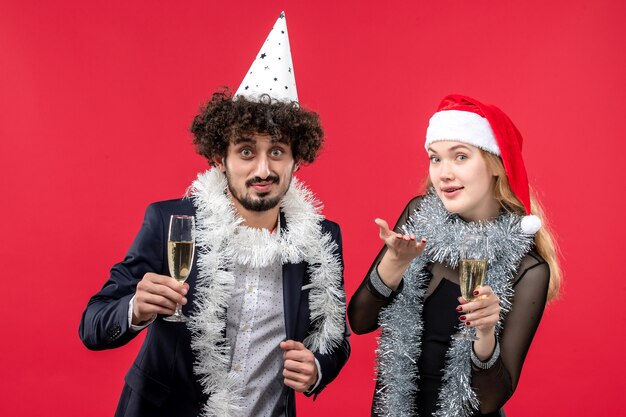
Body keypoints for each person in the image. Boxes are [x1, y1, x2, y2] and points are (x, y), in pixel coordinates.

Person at [79, 12, 349, 417]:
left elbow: (335, 338)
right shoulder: (172, 223)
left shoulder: (321, 239)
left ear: (297, 160)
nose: (263, 169)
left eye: (277, 151)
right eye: (246, 152)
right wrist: (135, 307)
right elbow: (93, 325)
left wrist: (316, 370)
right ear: (219, 159)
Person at [348, 94, 561, 417]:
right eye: (436, 158)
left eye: (460, 157)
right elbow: (360, 321)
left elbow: (490, 400)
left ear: (494, 165)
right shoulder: (419, 216)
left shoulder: (527, 268)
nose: (443, 173)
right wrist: (394, 263)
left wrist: (486, 332)